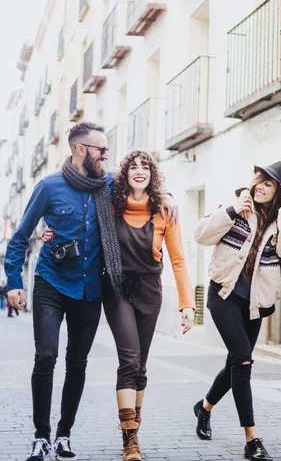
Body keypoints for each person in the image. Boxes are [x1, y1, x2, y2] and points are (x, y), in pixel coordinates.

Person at [4, 122, 176, 461]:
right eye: (102, 149)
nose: (108, 155)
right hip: (51, 283)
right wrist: (13, 282)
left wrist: (167, 197)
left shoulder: (109, 185)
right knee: (46, 357)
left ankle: (64, 434)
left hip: (91, 289)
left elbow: (143, 189)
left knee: (78, 363)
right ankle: (41, 436)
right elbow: (22, 235)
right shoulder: (49, 187)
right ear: (81, 150)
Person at [193, 162, 281, 461]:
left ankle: (204, 407)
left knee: (235, 362)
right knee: (243, 359)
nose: (261, 186)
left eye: (270, 183)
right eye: (261, 180)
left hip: (255, 303)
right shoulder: (237, 208)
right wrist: (230, 210)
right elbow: (201, 235)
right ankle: (251, 438)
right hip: (223, 294)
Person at [104, 150, 195, 461]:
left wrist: (187, 304)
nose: (139, 171)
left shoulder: (164, 211)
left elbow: (179, 259)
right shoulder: (111, 206)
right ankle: (130, 439)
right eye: (133, 167)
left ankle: (135, 428)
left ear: (152, 174)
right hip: (117, 289)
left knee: (141, 365)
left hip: (150, 290)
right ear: (125, 174)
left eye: (145, 166)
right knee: (129, 359)